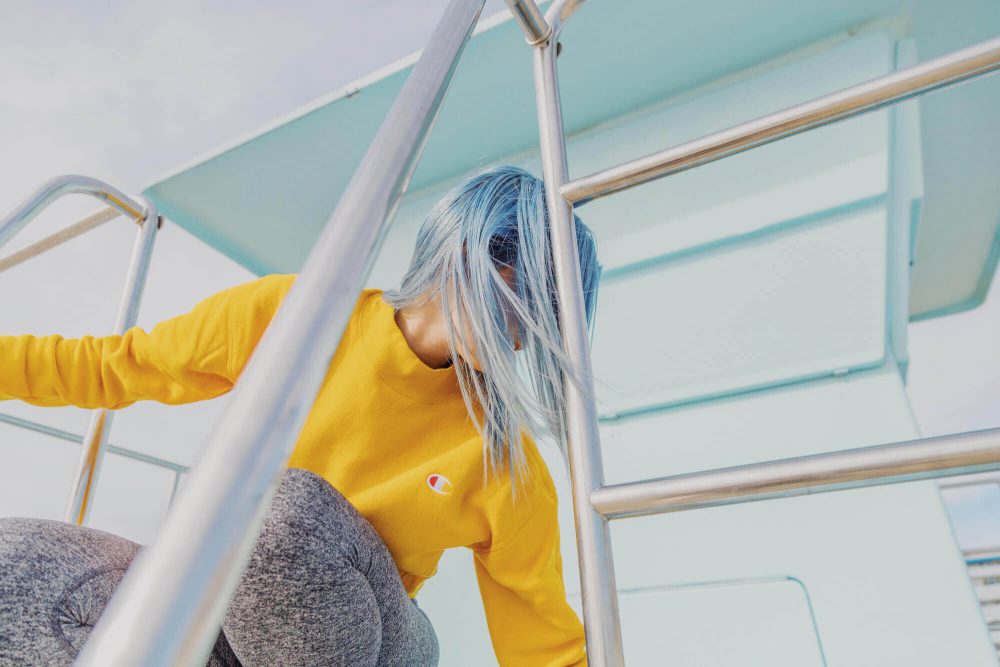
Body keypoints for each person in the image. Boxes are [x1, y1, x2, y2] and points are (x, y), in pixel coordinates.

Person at [0, 164, 603, 666]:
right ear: (471, 254)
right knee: (16, 566)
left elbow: (542, 640)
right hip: (227, 604)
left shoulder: (506, 463)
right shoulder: (292, 316)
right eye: (534, 304)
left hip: (375, 643)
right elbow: (113, 367)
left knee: (278, 513)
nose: (526, 339)